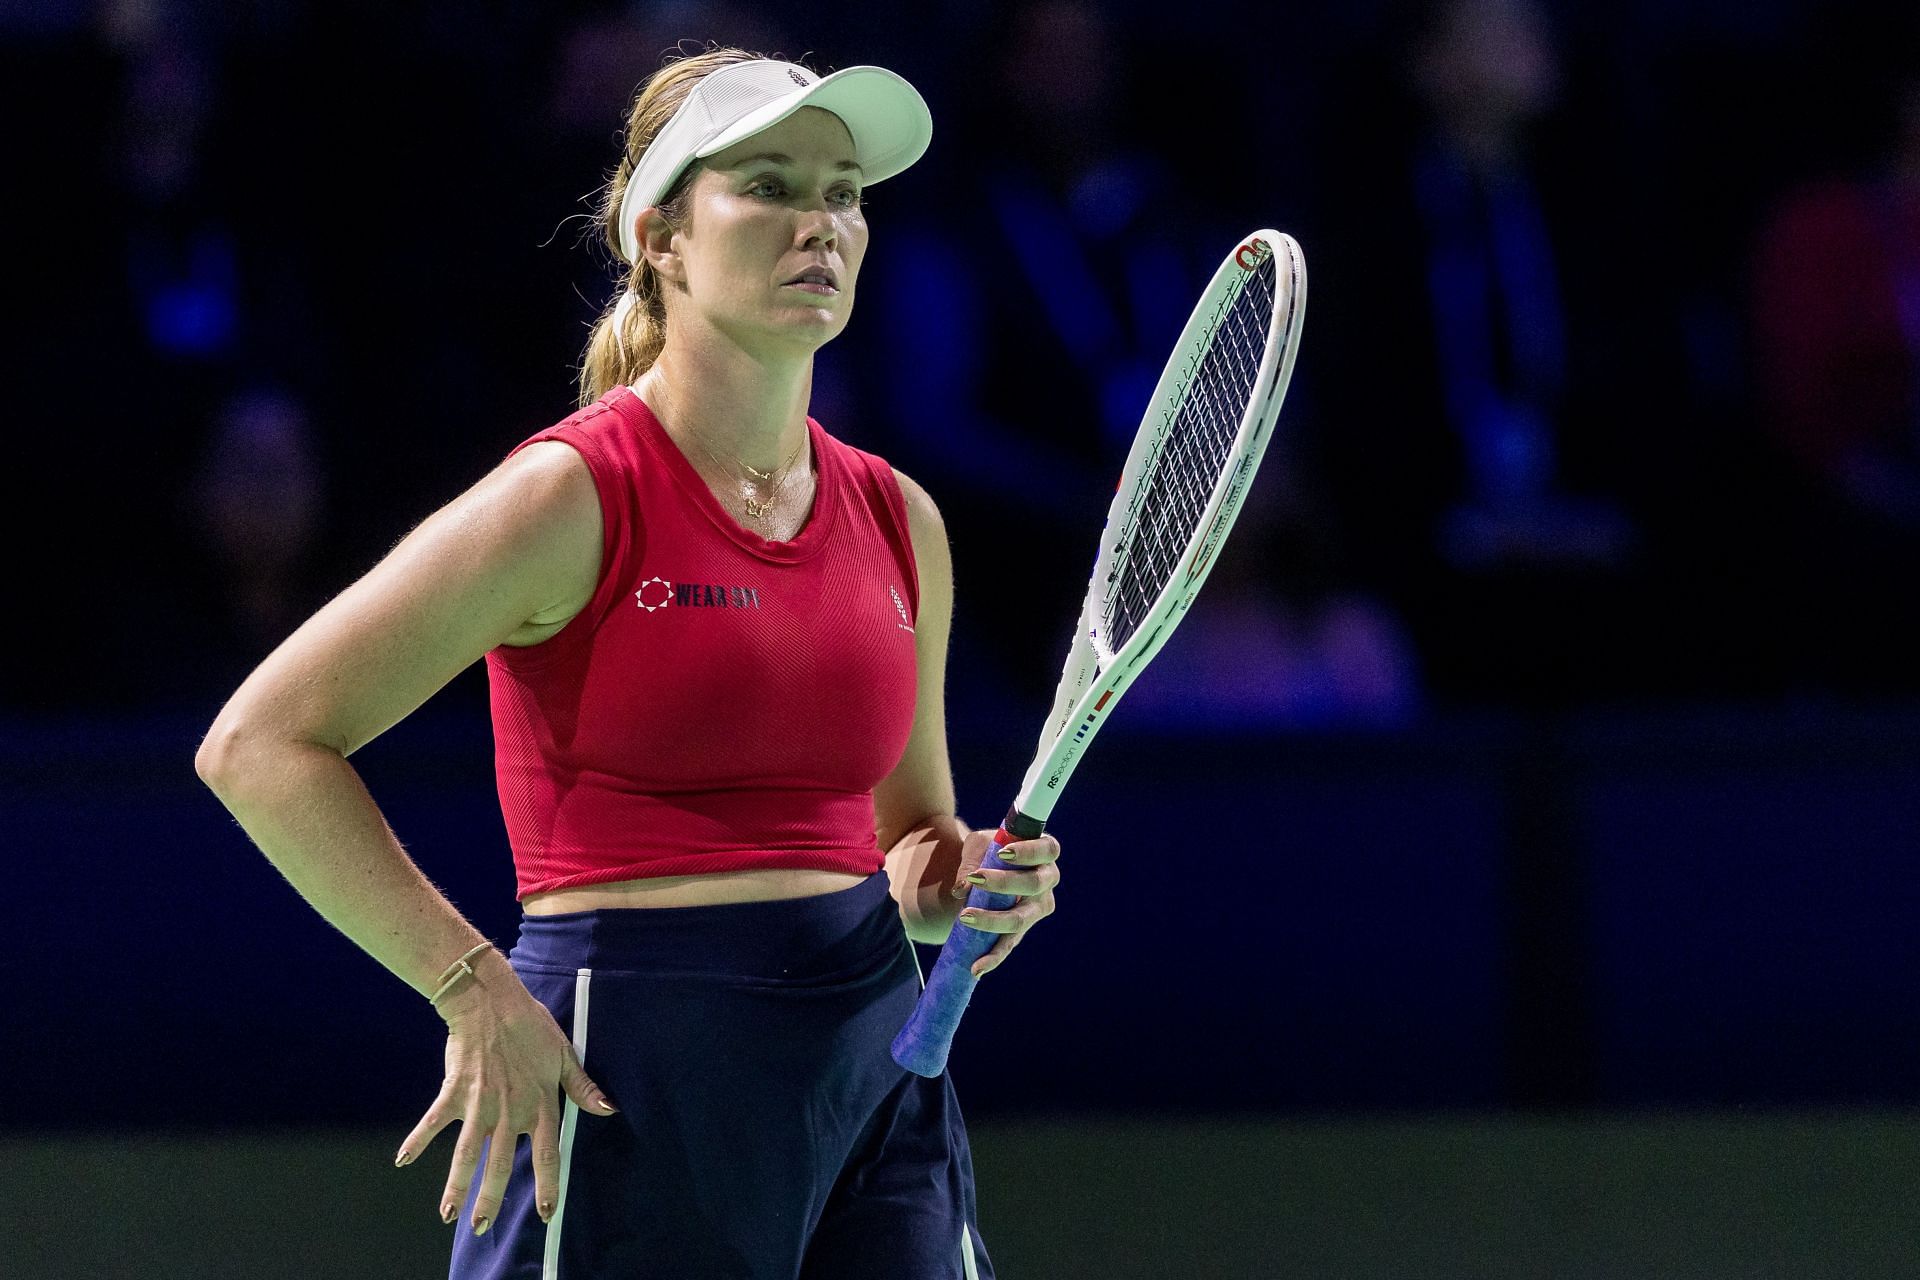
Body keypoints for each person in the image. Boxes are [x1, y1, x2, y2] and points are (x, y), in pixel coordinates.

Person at [194, 48, 1061, 1278]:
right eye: (769, 184)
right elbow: (259, 743)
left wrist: (964, 877)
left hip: (878, 1063)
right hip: (631, 1066)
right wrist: (470, 984)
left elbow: (909, 842)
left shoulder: (900, 518)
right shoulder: (570, 494)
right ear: (659, 235)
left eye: (844, 193)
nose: (821, 223)